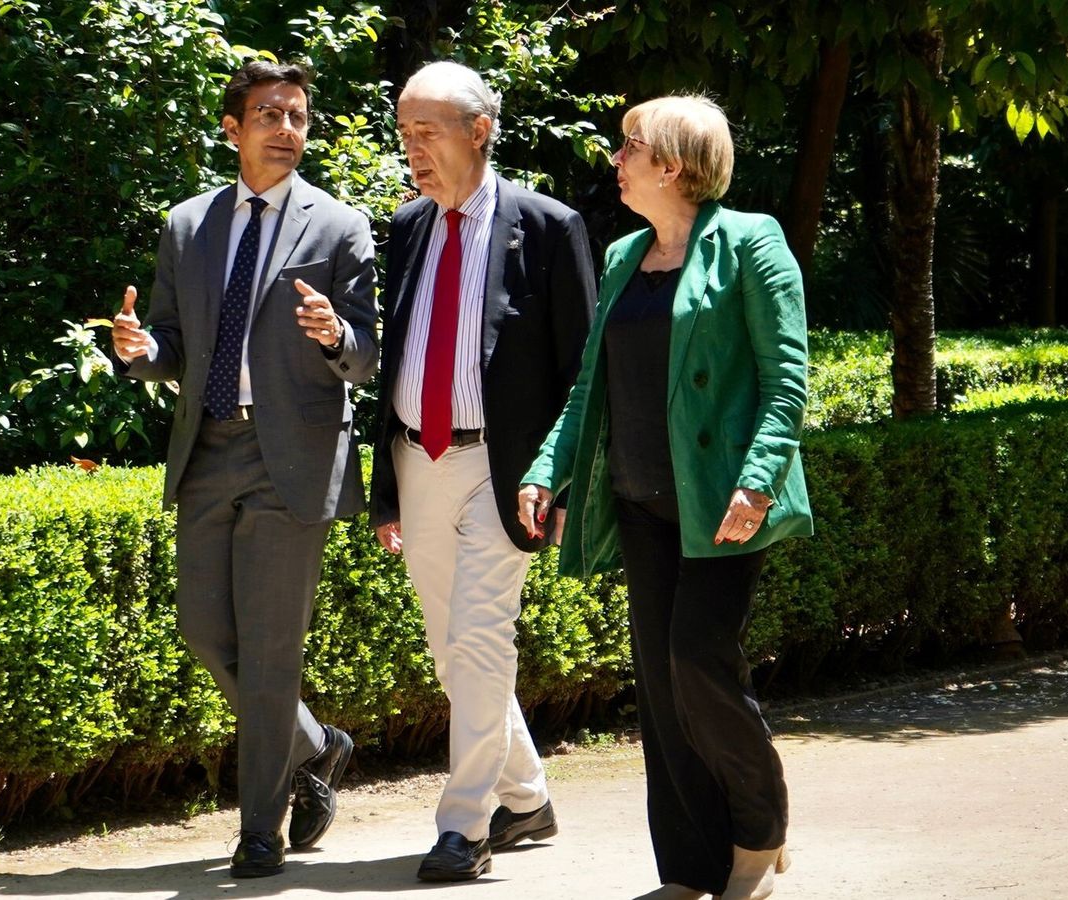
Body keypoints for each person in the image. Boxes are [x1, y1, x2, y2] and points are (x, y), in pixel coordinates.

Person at [518, 95, 812, 900]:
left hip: (721, 501)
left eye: (629, 147)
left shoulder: (752, 243)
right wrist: (549, 466)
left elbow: (787, 379)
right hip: (640, 497)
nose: (617, 159)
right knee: (660, 684)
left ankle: (759, 829)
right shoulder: (622, 256)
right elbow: (590, 385)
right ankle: (688, 869)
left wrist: (758, 478)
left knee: (698, 664)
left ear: (673, 165)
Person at [110, 59, 377, 879]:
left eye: (297, 115)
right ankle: (315, 744)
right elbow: (170, 342)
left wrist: (336, 335)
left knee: (270, 654)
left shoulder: (340, 226)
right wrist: (143, 351)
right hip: (210, 449)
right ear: (233, 129)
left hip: (291, 459)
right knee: (202, 629)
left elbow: (369, 357)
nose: (287, 130)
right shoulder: (187, 226)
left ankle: (258, 830)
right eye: (269, 114)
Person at [368, 60, 597, 882]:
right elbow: (398, 351)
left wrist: (562, 479)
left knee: (480, 635)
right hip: (417, 453)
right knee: (450, 648)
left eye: (425, 132)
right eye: (404, 133)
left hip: (505, 469)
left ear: (480, 130)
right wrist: (386, 485)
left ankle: (464, 825)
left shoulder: (549, 226)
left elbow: (583, 369)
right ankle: (529, 796)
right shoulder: (406, 227)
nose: (412, 150)